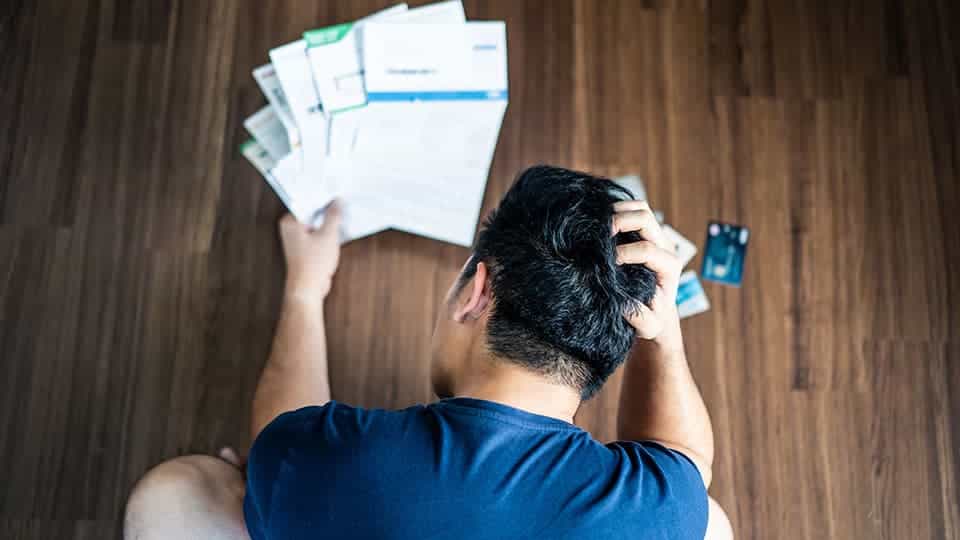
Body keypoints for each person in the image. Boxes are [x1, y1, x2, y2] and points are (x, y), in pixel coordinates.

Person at [125, 166, 733, 539]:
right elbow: (680, 460)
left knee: (177, 493)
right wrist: (667, 334)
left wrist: (305, 290)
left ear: (477, 291)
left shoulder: (334, 461)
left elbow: (282, 434)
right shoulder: (657, 507)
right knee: (711, 526)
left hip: (309, 483)